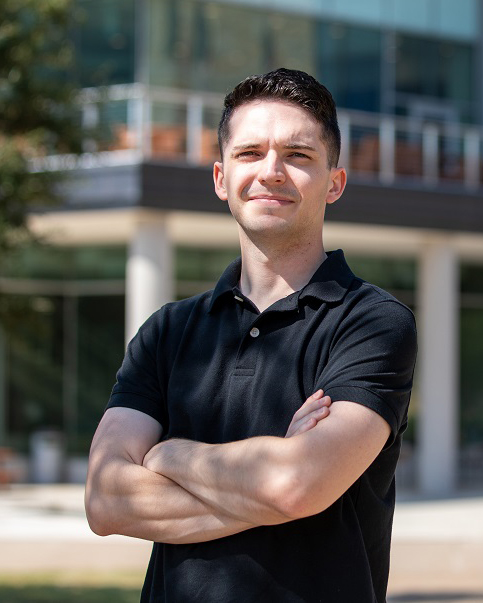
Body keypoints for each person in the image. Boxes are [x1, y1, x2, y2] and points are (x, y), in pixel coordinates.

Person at [84, 68, 417, 603]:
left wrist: (164, 456)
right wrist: (271, 473)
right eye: (249, 153)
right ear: (220, 178)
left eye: (298, 155)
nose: (271, 171)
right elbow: (105, 499)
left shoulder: (372, 322)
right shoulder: (167, 332)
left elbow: (295, 485)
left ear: (335, 183)